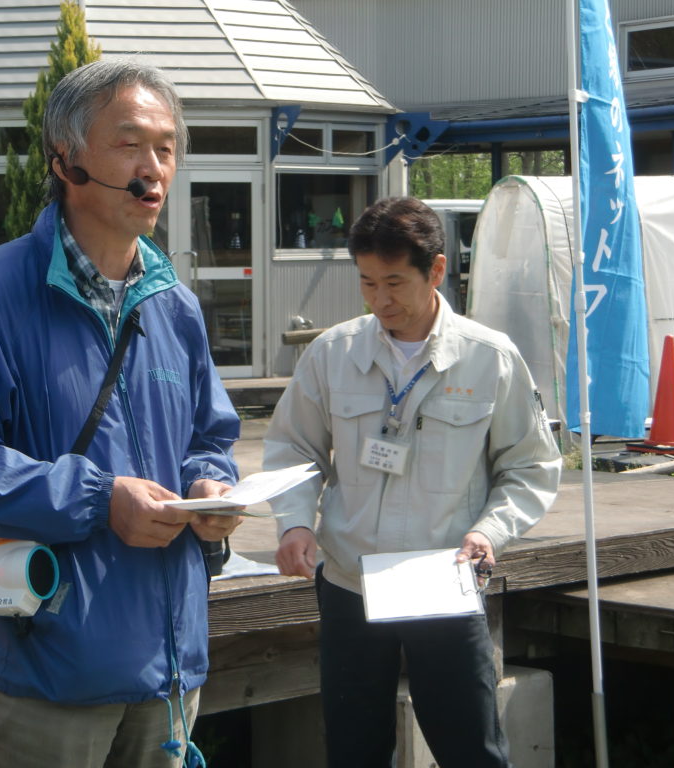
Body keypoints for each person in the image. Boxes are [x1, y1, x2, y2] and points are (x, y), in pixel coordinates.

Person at [0, 60, 241, 768]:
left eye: (167, 147)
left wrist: (211, 486)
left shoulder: (173, 305)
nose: (153, 169)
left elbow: (212, 435)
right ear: (66, 159)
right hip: (44, 674)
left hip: (169, 671)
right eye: (129, 144)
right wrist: (97, 499)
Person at [263, 196, 562, 768]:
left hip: (443, 580)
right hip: (351, 582)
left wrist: (490, 532)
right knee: (353, 748)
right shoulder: (333, 352)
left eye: (395, 282)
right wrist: (295, 523)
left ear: (438, 270)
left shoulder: (489, 358)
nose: (381, 300)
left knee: (472, 748)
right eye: (368, 283)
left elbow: (529, 466)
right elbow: (293, 447)